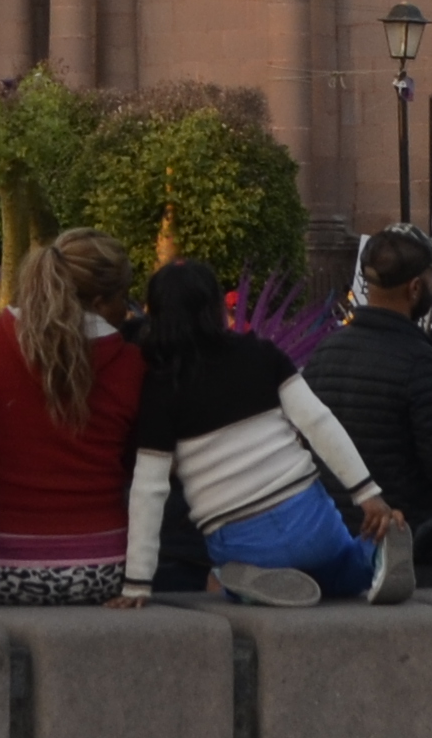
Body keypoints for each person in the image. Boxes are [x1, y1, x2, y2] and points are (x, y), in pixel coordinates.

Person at [121, 259, 408, 607]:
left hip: (239, 538)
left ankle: (241, 583)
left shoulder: (160, 387)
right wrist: (367, 493)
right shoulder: (261, 354)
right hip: (309, 518)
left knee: (221, 579)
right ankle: (375, 556)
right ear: (215, 307)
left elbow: (149, 489)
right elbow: (318, 421)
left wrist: (137, 583)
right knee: (343, 569)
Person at [0, 228, 146, 605]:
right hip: (102, 566)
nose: (127, 312)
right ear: (102, 299)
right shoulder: (131, 363)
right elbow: (141, 460)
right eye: (124, 298)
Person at [303, 231, 432, 585]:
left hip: (331, 543)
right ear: (416, 288)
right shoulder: (422, 363)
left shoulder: (324, 353)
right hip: (400, 550)